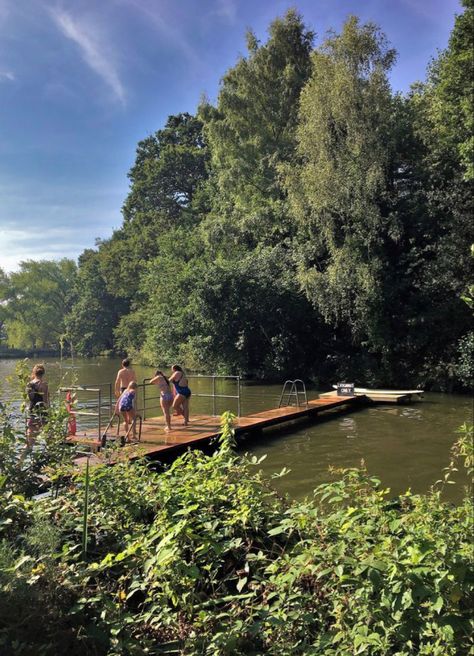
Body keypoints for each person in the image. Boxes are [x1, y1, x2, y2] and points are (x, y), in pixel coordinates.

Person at [26, 363, 50, 449]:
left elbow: (30, 400)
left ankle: (20, 461)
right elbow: (45, 401)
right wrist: (49, 414)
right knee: (50, 438)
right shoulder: (44, 384)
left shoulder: (29, 384)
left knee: (30, 442)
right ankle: (52, 458)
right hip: (42, 414)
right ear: (43, 373)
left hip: (32, 413)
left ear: (34, 372)